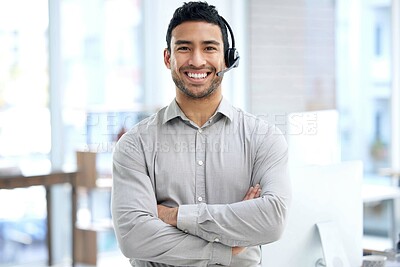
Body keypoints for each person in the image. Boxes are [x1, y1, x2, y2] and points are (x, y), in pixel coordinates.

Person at [111, 2, 291, 266]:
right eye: (184, 48)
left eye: (209, 48)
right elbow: (134, 237)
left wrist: (174, 217)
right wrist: (228, 245)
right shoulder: (134, 145)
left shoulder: (264, 139)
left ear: (227, 58)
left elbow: (272, 221)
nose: (197, 60)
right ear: (167, 58)